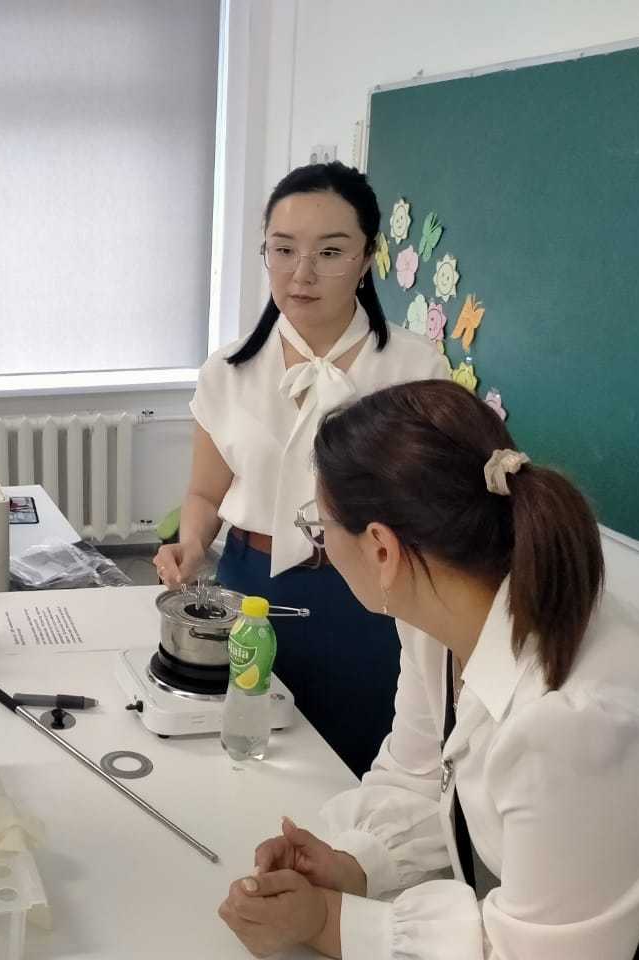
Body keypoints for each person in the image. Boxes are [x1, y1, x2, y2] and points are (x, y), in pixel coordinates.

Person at [218, 380, 639, 960]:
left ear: (381, 549)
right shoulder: (438, 615)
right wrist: (351, 863)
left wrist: (329, 923)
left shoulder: (570, 726)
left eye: (320, 529)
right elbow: (421, 776)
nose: (321, 546)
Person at [154, 162, 447, 775]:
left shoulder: (416, 369)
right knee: (245, 758)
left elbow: (433, 510)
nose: (301, 273)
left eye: (330, 252)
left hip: (372, 598)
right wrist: (191, 544)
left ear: (367, 258)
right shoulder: (228, 370)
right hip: (249, 592)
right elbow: (206, 494)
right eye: (283, 250)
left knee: (361, 766)